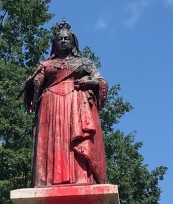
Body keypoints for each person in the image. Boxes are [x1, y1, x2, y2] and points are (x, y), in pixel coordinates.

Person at [22, 19, 108, 187]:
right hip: (51, 106)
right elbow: (33, 92)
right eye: (59, 39)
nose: (63, 41)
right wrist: (32, 83)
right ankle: (48, 180)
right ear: (54, 43)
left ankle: (81, 178)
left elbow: (101, 82)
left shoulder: (83, 63)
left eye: (66, 39)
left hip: (75, 105)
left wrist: (90, 81)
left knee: (76, 141)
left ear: (72, 42)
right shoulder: (45, 65)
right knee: (54, 141)